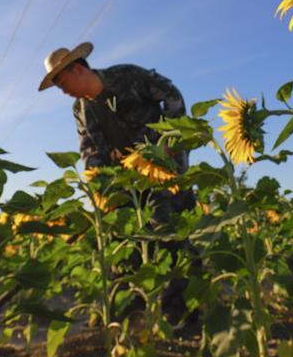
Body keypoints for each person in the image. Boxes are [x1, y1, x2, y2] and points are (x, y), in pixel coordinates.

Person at [39, 41, 197, 327]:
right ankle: (131, 320)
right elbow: (90, 152)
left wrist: (171, 144)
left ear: (78, 69)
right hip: (126, 186)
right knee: (125, 248)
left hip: (162, 173)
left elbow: (173, 98)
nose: (62, 91)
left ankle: (183, 317)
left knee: (173, 239)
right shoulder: (81, 110)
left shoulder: (128, 76)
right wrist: (100, 195)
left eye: (62, 83)